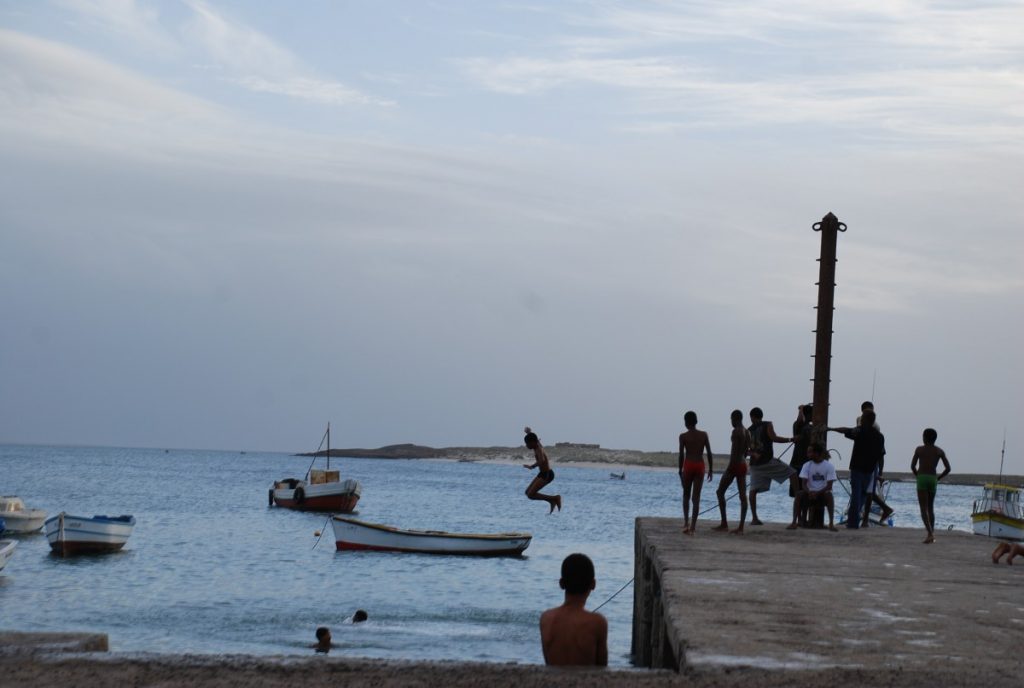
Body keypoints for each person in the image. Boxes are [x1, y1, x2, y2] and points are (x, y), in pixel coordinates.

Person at [539, 553, 608, 666]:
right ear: (593, 584)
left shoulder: (546, 618)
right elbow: (602, 668)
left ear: (561, 584)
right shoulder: (598, 622)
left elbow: (548, 664)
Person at [829, 410, 885, 529]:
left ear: (865, 419)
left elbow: (846, 430)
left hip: (857, 468)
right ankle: (854, 519)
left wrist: (831, 429)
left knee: (856, 495)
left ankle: (853, 523)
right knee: (863, 495)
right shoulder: (880, 437)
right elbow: (880, 455)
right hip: (870, 470)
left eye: (863, 418)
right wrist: (878, 471)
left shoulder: (860, 431)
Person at [746, 407, 794, 526]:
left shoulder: (748, 430)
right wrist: (790, 439)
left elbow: (744, 449)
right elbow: (774, 438)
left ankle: (754, 518)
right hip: (766, 462)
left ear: (752, 417)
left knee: (753, 490)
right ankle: (798, 502)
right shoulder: (767, 425)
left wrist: (752, 453)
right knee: (793, 473)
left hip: (756, 465)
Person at [910, 428, 951, 544]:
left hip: (922, 477)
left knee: (923, 509)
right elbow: (948, 468)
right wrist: (938, 478)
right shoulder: (939, 451)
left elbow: (912, 466)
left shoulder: (919, 450)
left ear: (924, 438)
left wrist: (917, 476)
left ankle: (930, 534)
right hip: (933, 479)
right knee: (930, 508)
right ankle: (930, 534)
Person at [787, 442, 838, 531]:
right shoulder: (806, 465)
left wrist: (817, 493)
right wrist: (809, 492)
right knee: (798, 495)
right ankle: (794, 522)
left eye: (810, 452)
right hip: (809, 494)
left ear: (817, 453)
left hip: (821, 494)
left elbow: (829, 486)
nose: (808, 454)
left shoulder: (829, 466)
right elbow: (803, 484)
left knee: (829, 496)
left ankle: (831, 523)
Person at [857, 401, 894, 526]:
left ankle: (865, 518)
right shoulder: (860, 421)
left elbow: (880, 454)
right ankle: (867, 515)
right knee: (867, 492)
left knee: (868, 492)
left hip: (870, 464)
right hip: (863, 461)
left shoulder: (876, 431)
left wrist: (880, 472)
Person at [714, 409, 750, 534]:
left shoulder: (736, 432)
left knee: (720, 492)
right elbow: (745, 452)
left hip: (734, 465)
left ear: (735, 419)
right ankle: (741, 527)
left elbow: (734, 452)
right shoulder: (747, 432)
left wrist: (730, 467)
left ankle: (724, 523)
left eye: (731, 420)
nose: (731, 422)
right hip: (743, 464)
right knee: (743, 496)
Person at [678, 411, 713, 535]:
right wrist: (711, 469)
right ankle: (693, 527)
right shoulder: (704, 435)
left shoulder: (683, 436)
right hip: (699, 465)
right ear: (696, 421)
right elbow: (709, 452)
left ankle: (686, 523)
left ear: (686, 423)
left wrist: (679, 470)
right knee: (696, 498)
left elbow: (682, 454)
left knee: (686, 495)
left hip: (688, 465)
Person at [523, 427, 561, 513]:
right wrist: (529, 433)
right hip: (542, 473)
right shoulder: (537, 445)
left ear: (532, 443)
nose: (526, 446)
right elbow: (534, 438)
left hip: (547, 474)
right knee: (527, 493)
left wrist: (532, 466)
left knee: (531, 494)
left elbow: (541, 460)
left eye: (527, 443)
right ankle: (551, 500)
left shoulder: (538, 449)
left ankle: (555, 498)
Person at [789, 404, 814, 524]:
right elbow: (799, 420)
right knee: (799, 494)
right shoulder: (802, 427)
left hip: (802, 465)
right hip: (799, 465)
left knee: (803, 494)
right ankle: (800, 519)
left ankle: (802, 518)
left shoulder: (808, 428)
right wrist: (801, 410)